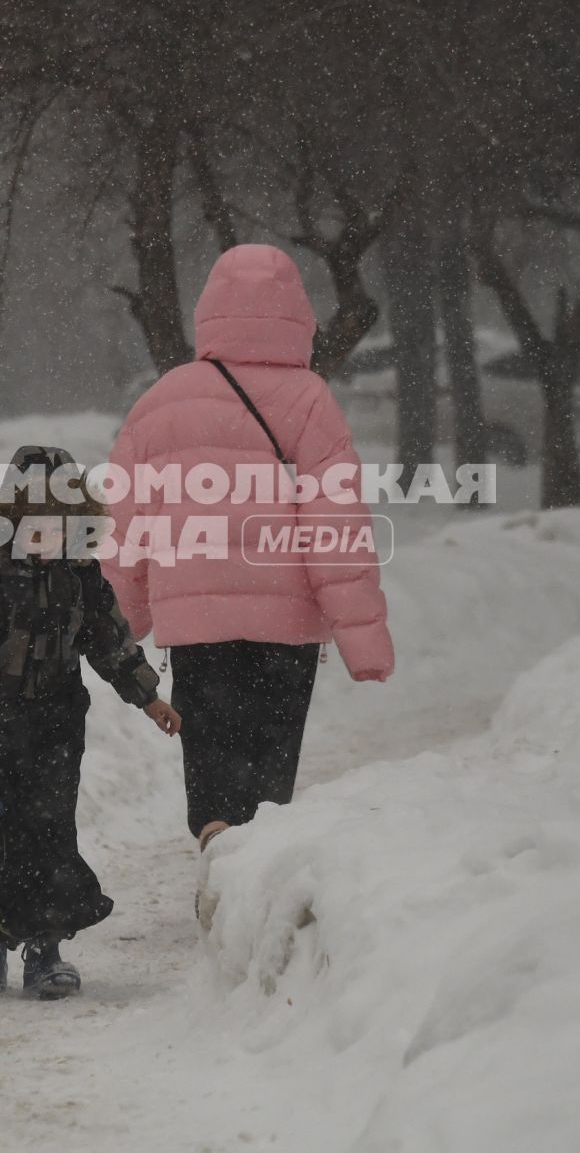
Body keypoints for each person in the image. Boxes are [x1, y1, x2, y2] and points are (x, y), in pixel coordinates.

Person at [106, 244, 393, 854]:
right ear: (298, 315)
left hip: (195, 622)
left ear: (211, 312)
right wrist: (362, 638)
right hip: (284, 624)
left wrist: (120, 619)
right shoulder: (310, 399)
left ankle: (214, 838)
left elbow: (126, 522)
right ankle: (256, 864)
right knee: (269, 760)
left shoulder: (161, 401)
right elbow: (336, 523)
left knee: (209, 746)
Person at [0, 445, 181, 999]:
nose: (46, 533)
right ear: (8, 518)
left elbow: (111, 645)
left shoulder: (81, 580)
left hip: (54, 727)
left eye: (61, 521)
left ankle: (45, 947)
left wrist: (149, 697)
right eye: (34, 519)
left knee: (49, 833)